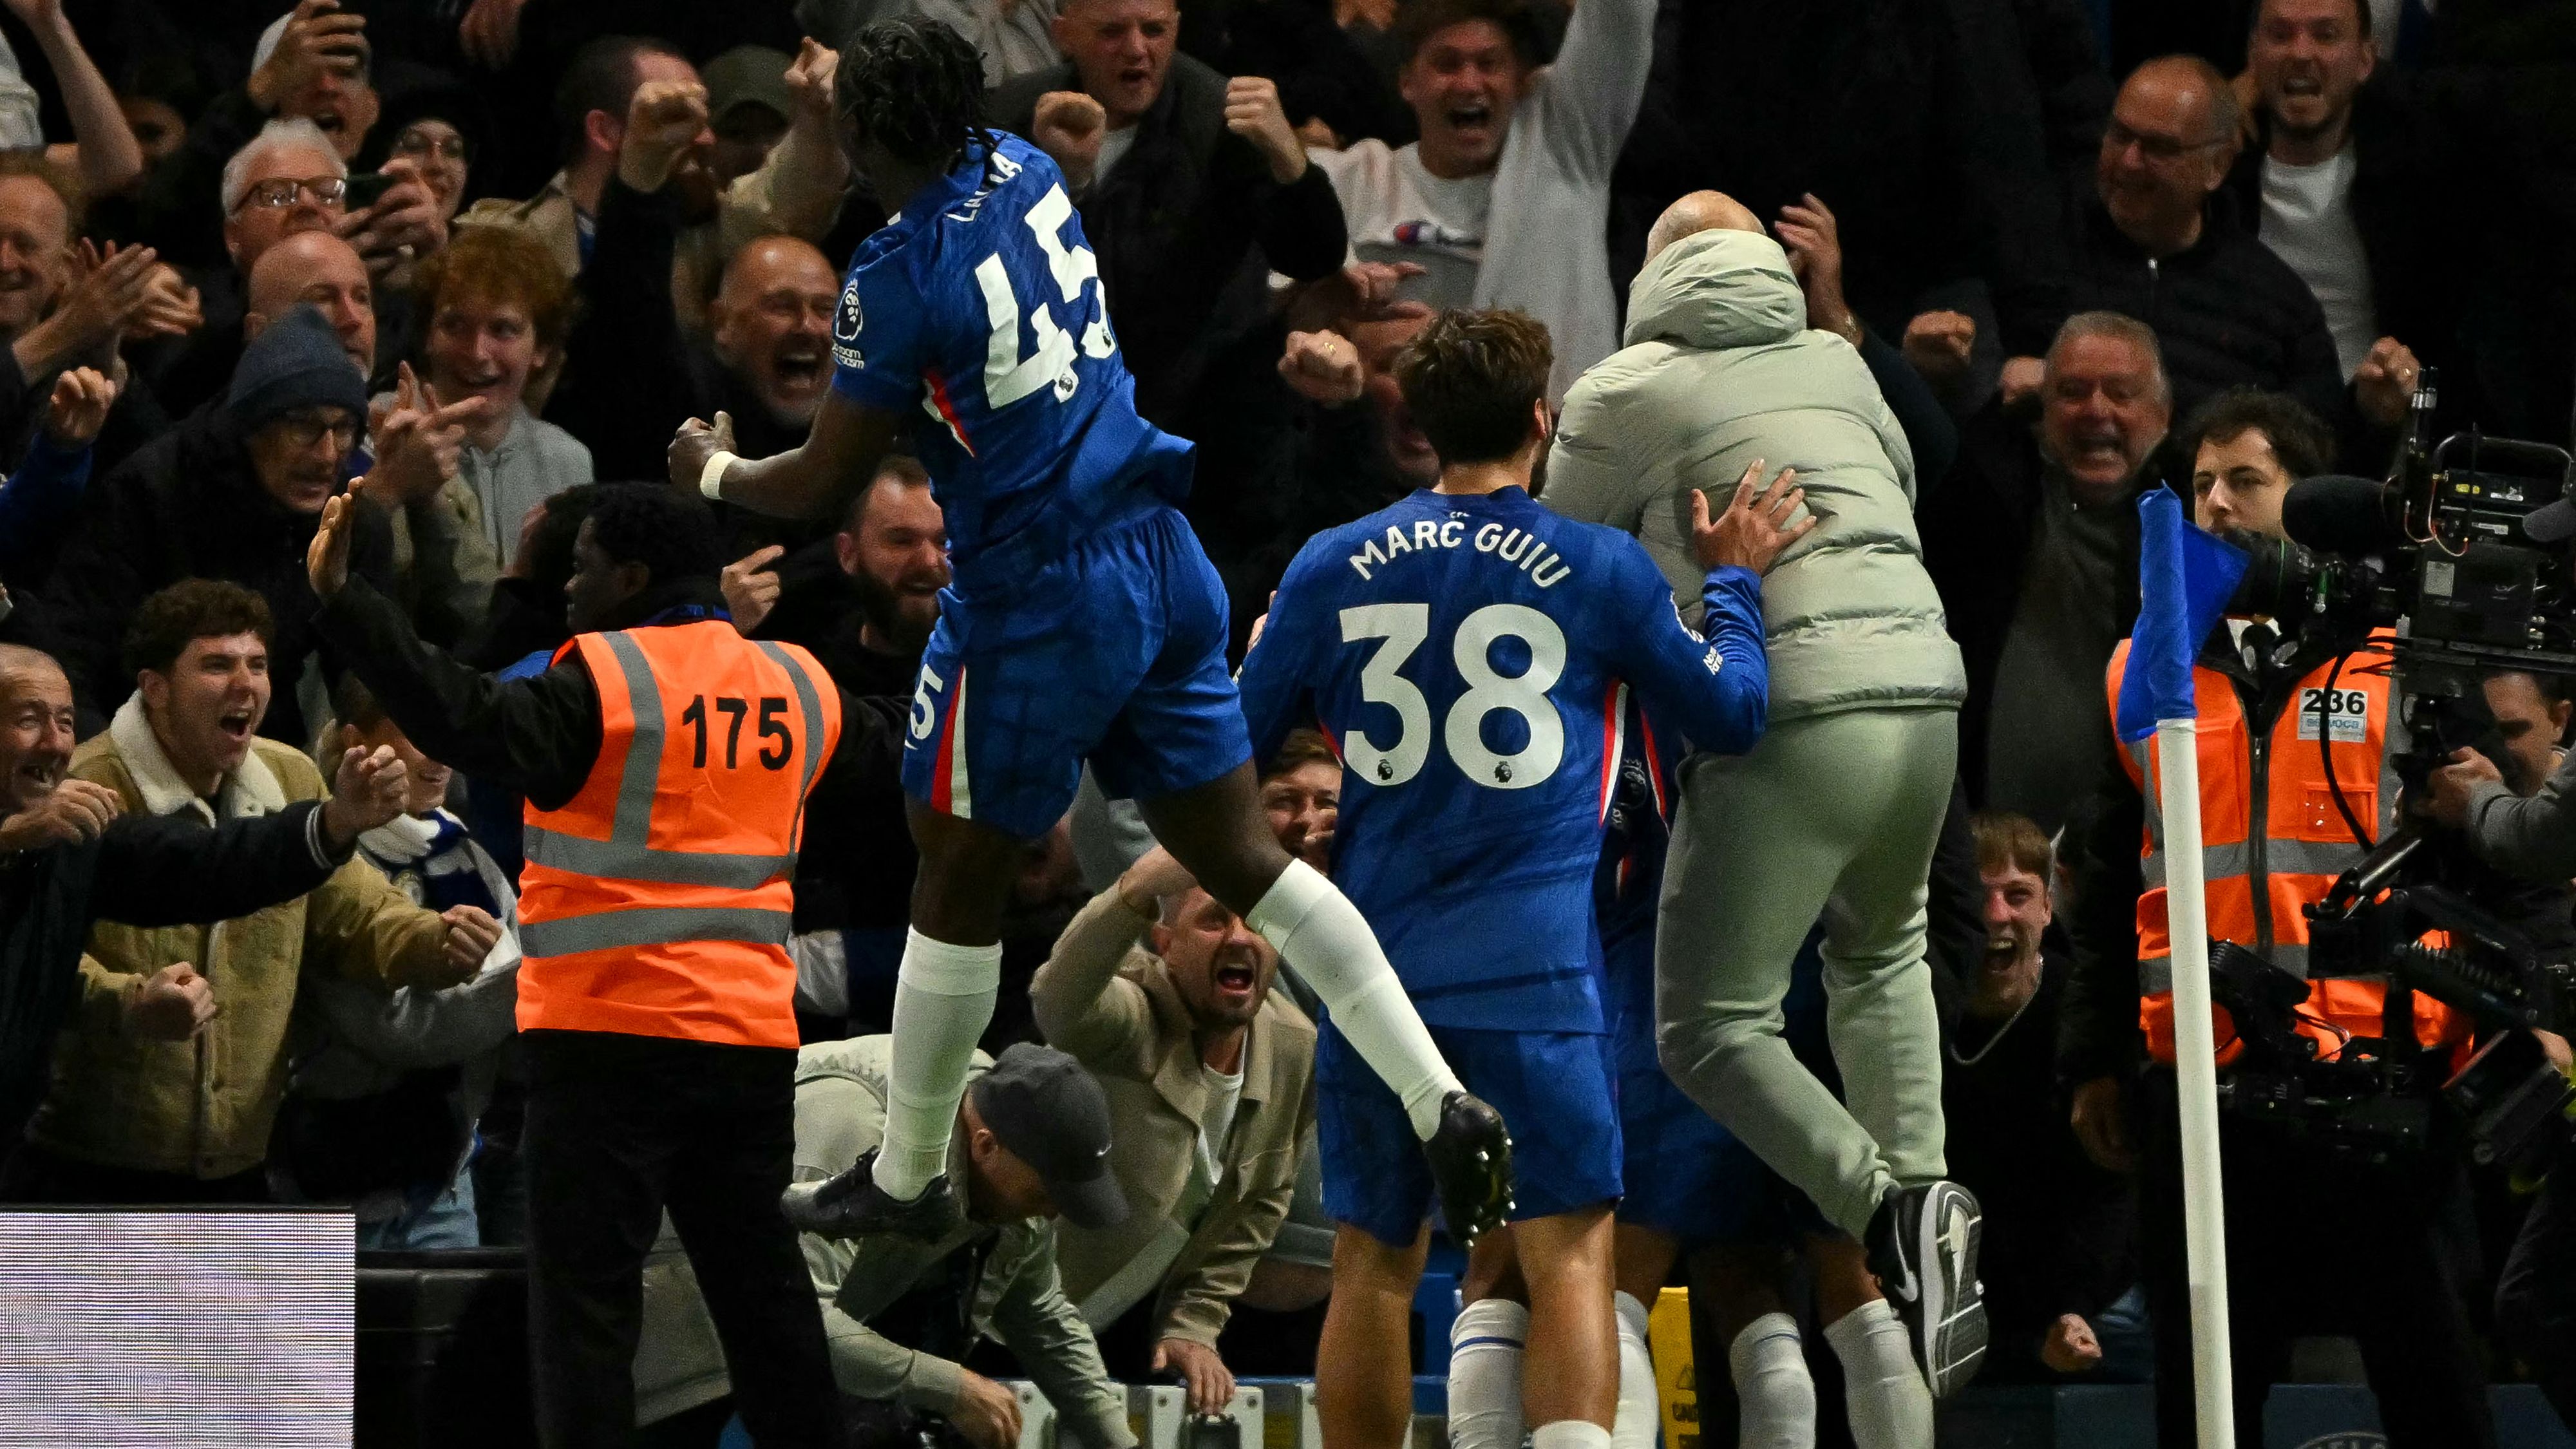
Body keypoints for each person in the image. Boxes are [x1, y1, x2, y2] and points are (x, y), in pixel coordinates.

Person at [670, 16, 1510, 1248]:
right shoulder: (1019, 164)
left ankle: (906, 1179)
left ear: (862, 131)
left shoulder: (894, 279)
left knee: (952, 864)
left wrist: (713, 473)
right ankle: (1439, 1094)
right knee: (1242, 854)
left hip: (1038, 594)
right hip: (1160, 549)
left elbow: (814, 482)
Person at [1235, 307, 1791, 1449]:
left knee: (1375, 1266)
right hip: (1537, 978)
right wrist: (1733, 586)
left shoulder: (1331, 564)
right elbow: (1733, 715)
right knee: (1571, 1258)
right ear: (1543, 421)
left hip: (1374, 980)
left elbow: (1229, 739)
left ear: (1420, 426)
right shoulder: (1600, 568)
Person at [308, 480, 905, 1448]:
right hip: (749, 1047)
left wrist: (348, 600)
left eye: (580, 567)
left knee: (586, 1323)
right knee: (769, 1311)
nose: (569, 589)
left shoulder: (605, 683)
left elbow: (460, 712)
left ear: (630, 576)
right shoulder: (798, 682)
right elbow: (899, 743)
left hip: (606, 1049)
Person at [1542, 191, 1982, 1397]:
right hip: (1930, 698)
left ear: (1652, 279)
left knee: (1706, 1028)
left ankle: (1885, 1210)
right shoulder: (1842, 364)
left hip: (1790, 711)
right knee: (1881, 956)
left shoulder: (1624, 389)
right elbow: (1897, 481)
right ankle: (1933, 1199)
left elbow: (1553, 560)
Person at [2062, 388, 2487, 1449]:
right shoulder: (2145, 666)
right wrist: (2094, 1058)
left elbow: (2478, 864)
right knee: (2203, 1400)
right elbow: (2116, 876)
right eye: (2201, 484)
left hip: (2376, 1079)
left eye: (2245, 482)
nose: (2214, 506)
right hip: (2204, 1093)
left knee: (2433, 1387)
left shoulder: (2405, 660)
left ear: (2315, 503)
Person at [1, 580, 490, 1205]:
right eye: (216, 664)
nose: (246, 683)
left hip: (245, 1165)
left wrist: (432, 942)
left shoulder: (290, 774)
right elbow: (41, 952)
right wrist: (127, 1003)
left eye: (257, 664)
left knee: (260, 1309)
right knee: (100, 1309)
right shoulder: (84, 791)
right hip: (89, 1168)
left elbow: (351, 908)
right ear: (155, 689)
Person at [0, 638, 412, 1157]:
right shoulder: (40, 827)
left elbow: (202, 865)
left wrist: (334, 823)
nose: (56, 744)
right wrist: (7, 838)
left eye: (64, 721)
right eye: (30, 719)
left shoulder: (68, 838)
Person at [636, 1039, 1136, 1449]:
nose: (1051, 1213)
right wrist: (949, 1385)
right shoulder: (857, 1125)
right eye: (1045, 1194)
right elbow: (787, 1309)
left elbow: (1041, 1314)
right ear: (985, 1146)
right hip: (668, 1335)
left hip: (764, 1352)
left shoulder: (1007, 1144)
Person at [1030, 842, 1317, 1414]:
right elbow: (1057, 1000)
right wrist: (1134, 890)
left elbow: (1261, 1203)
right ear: (1165, 946)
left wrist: (1195, 1324)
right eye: (1213, 920)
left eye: (1254, 922)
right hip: (1009, 1312)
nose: (1238, 937)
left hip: (1128, 1324)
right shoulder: (1130, 1017)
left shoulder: (1294, 1047)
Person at [44, 303, 402, 744]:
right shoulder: (149, 494)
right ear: (251, 427)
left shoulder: (350, 520)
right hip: (133, 736)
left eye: (343, 429)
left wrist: (393, 744)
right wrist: (102, 770)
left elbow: (371, 669)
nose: (327, 454)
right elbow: (73, 646)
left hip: (262, 741)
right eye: (303, 428)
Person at [2003, 55, 2401, 446]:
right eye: (2121, 135)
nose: (2129, 162)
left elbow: (2316, 457)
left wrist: (2373, 418)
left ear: (2218, 165)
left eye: (2158, 148)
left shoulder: (2278, 304)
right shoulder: (2037, 251)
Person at [992, 0, 1348, 426]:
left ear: (1178, 29)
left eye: (1155, 30)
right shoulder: (1011, 118)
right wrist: (1061, 187)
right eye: (1111, 33)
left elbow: (1312, 258)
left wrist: (1292, 163)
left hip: (1201, 414)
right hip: (1048, 404)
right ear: (1064, 37)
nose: (1137, 49)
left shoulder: (1225, 120)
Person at [276, 672, 522, 1249]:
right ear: (359, 740)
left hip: (442, 1184)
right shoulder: (320, 852)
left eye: (446, 733)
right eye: (417, 734)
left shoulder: (468, 856)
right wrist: (533, 987)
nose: (439, 756)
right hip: (325, 1189)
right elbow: (391, 1028)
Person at [1306, 0, 1649, 399]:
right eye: (1447, 65)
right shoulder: (1353, 179)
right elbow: (1293, 311)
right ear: (1407, 83)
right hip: (1398, 438)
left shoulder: (1565, 146)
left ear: (1522, 80)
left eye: (1490, 64)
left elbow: (1623, 14)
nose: (1469, 84)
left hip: (1556, 439)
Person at [1918, 312, 2174, 826]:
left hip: (2128, 853)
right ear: (2043, 410)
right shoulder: (1988, 499)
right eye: (2072, 391)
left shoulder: (2191, 524)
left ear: (2163, 416)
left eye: (2121, 393)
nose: (2095, 409)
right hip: (1981, 848)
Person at [1940, 813, 2136, 1385]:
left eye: (2017, 895)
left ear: (2048, 909)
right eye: (1978, 896)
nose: (1996, 915)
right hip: (1960, 1290)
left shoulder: (2086, 1025)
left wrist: (2071, 1309)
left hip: (2085, 1283)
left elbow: (2111, 1192)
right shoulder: (1915, 1015)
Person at [2229, 0, 2449, 395]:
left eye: (2326, 35)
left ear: (2367, 60)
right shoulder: (2217, 174)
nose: (2300, 53)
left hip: (2364, 426)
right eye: (2280, 36)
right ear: (2253, 54)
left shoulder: (2414, 182)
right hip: (2235, 421)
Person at [408, 223, 596, 567]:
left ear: (541, 348)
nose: (478, 352)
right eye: (455, 326)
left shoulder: (567, 462)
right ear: (427, 336)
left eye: (503, 329)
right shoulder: (381, 435)